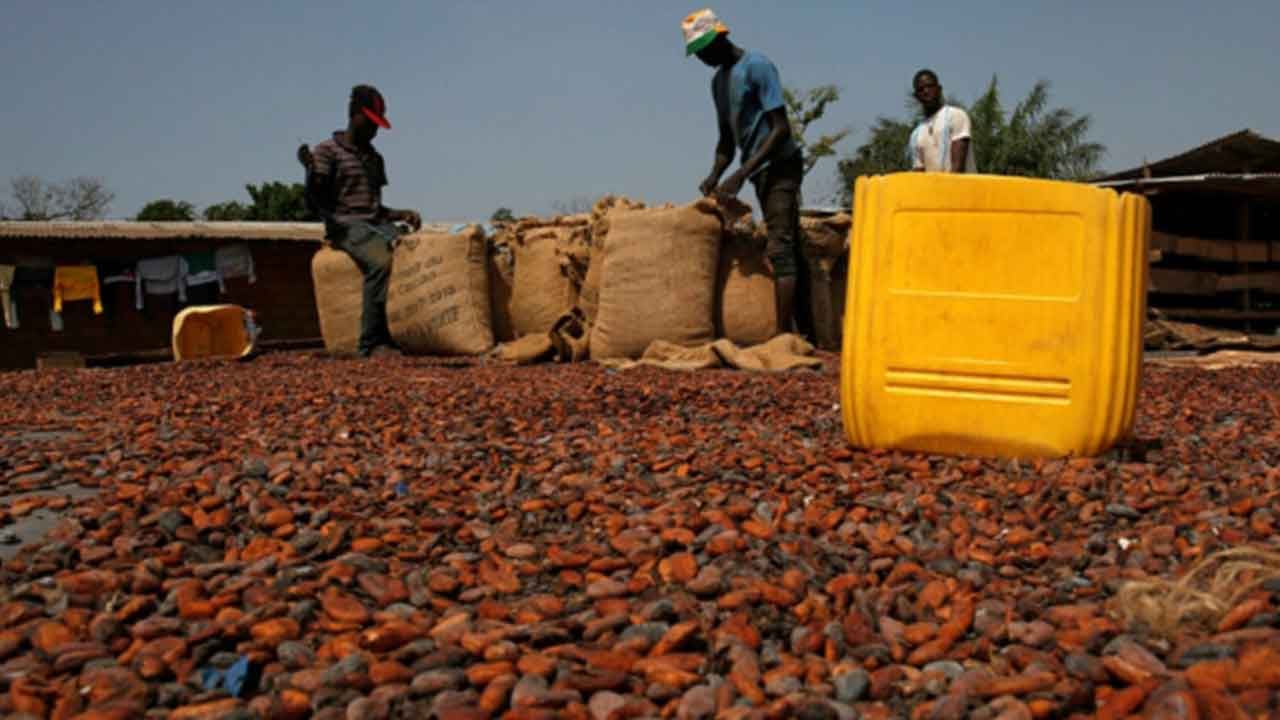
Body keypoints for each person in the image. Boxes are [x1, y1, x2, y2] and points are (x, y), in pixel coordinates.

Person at [684, 8, 806, 335]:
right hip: (756, 169)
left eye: (704, 51)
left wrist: (740, 174)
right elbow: (727, 140)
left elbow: (781, 129)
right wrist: (714, 175)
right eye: (697, 55)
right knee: (789, 241)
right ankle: (803, 328)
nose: (702, 59)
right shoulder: (718, 83)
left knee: (780, 247)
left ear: (720, 38)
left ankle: (782, 339)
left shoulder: (757, 66)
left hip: (780, 165)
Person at [299, 85, 422, 358]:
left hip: (374, 224)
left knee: (414, 251)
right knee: (381, 263)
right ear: (354, 115)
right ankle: (371, 343)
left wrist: (401, 214)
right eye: (370, 123)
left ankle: (408, 331)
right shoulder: (326, 152)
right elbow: (314, 202)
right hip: (345, 227)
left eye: (377, 126)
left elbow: (374, 208)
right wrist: (309, 174)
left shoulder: (374, 158)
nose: (374, 131)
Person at [908, 69, 978, 174]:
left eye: (930, 86)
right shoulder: (916, 135)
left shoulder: (956, 116)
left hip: (963, 189)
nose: (926, 91)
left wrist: (946, 190)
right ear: (916, 96)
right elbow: (919, 175)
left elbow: (957, 169)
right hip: (935, 190)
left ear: (939, 89)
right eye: (921, 89)